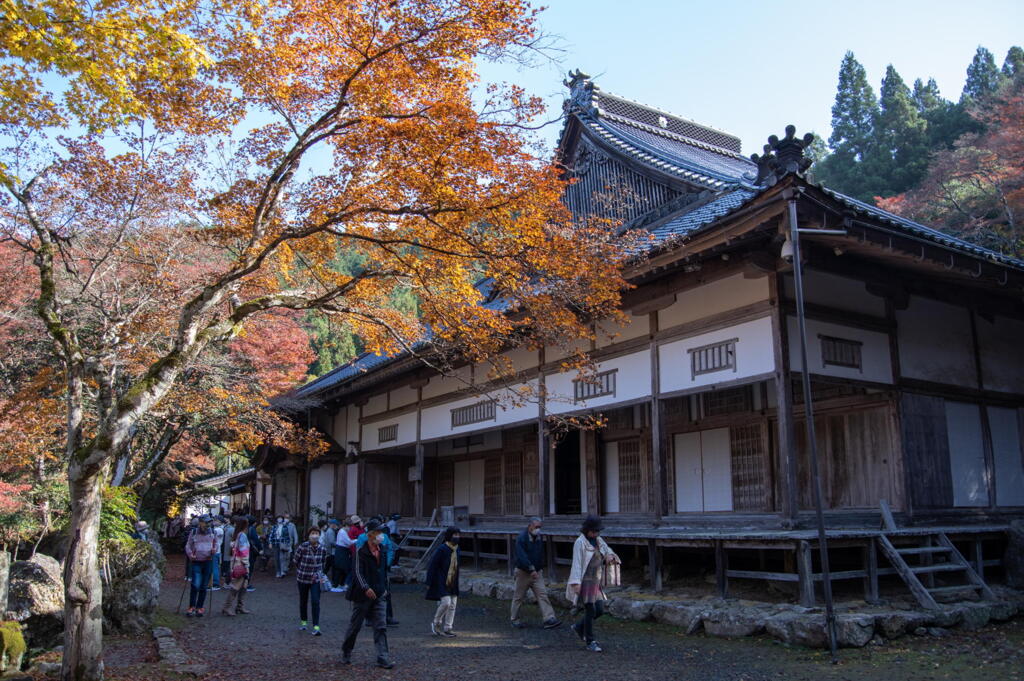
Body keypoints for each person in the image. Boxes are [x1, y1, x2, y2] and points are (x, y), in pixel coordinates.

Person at [341, 521, 393, 669]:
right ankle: (346, 651)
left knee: (381, 626)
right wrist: (365, 587)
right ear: (370, 535)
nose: (380, 536)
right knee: (355, 625)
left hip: (380, 593)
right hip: (363, 594)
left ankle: (383, 657)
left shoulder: (381, 550)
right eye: (378, 533)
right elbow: (357, 572)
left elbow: (382, 572)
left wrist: (384, 589)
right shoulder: (360, 552)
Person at [567, 515, 620, 652]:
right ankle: (590, 641)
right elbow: (577, 563)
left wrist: (609, 555)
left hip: (595, 580)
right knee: (590, 610)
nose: (596, 533)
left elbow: (607, 550)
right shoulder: (580, 542)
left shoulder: (598, 540)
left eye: (597, 531)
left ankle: (579, 627)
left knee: (600, 609)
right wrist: (575, 582)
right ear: (588, 530)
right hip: (585, 580)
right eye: (594, 531)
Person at [511, 517, 561, 630]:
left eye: (540, 527)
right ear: (530, 526)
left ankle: (549, 618)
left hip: (537, 572)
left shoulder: (538, 537)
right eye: (536, 527)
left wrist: (539, 567)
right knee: (519, 596)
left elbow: (540, 553)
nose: (538, 529)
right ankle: (514, 619)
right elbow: (521, 556)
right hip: (523, 572)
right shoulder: (521, 538)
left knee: (542, 594)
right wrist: (531, 569)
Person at [355, 523, 399, 625]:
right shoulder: (362, 538)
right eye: (377, 532)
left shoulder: (384, 541)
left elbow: (389, 549)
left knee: (385, 594)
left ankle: (387, 616)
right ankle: (369, 617)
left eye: (380, 531)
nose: (380, 535)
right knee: (370, 596)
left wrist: (387, 562)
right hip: (369, 572)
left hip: (382, 571)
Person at [424, 526, 461, 637]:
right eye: (455, 535)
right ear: (449, 536)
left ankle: (448, 627)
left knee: (453, 604)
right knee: (446, 602)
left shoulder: (457, 549)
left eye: (458, 535)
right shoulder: (442, 549)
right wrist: (429, 581)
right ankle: (436, 623)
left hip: (453, 580)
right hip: (441, 579)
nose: (457, 537)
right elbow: (433, 565)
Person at [292, 527, 328, 635]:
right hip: (302, 578)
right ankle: (304, 622)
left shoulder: (322, 549)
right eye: (312, 533)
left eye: (316, 533)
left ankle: (316, 626)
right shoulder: (303, 547)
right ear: (309, 535)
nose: (314, 535)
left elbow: (324, 562)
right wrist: (301, 571)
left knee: (315, 601)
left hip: (316, 579)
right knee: (303, 601)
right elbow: (296, 561)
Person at [185, 515, 219, 617]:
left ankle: (200, 607)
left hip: (208, 561)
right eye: (206, 522)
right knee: (195, 584)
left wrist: (215, 550)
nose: (208, 524)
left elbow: (216, 544)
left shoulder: (213, 532)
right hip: (196, 561)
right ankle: (192, 606)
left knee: (204, 586)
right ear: (200, 523)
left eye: (209, 522)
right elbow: (188, 545)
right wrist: (191, 555)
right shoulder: (194, 532)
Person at [221, 517, 253, 616]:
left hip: (236, 562)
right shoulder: (242, 536)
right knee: (236, 586)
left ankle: (240, 606)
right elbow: (243, 552)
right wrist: (246, 564)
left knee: (243, 586)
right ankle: (227, 607)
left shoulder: (237, 535)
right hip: (241, 564)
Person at [330, 520, 354, 592]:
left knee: (340, 569)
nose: (350, 529)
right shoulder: (343, 532)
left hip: (340, 551)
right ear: (346, 526)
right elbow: (349, 542)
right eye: (349, 527)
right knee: (347, 568)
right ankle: (342, 584)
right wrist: (356, 540)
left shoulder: (341, 531)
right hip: (342, 552)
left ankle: (338, 584)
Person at [220, 516, 236, 588]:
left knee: (227, 567)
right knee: (230, 568)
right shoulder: (232, 530)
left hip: (224, 551)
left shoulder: (225, 528)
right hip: (230, 552)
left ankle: (226, 581)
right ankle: (227, 582)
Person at [210, 518, 224, 591]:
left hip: (216, 551)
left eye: (216, 520)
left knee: (214, 567)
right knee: (214, 567)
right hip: (216, 550)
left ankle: (215, 583)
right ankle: (213, 582)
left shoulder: (219, 530)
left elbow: (211, 533)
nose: (214, 522)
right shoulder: (217, 529)